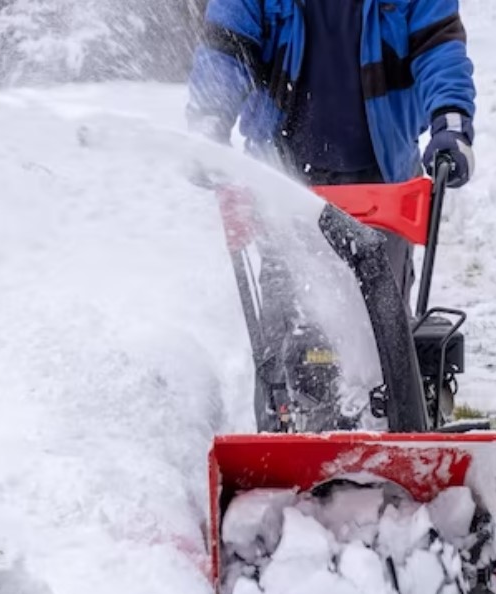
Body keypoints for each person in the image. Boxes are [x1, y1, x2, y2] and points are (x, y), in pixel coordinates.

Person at [187, 0, 476, 431]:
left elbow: (439, 49)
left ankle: (397, 440)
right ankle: (284, 439)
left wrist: (450, 125)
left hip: (384, 183)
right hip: (284, 182)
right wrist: (209, 124)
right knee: (288, 331)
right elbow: (225, 50)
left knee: (383, 331)